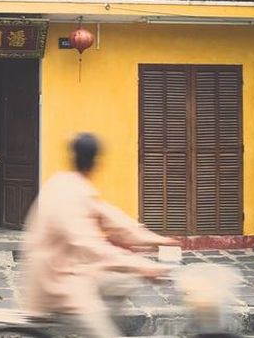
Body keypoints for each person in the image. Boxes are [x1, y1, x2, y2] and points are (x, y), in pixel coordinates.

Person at [22, 133, 177, 338]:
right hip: (57, 283)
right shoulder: (68, 194)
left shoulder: (71, 184)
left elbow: (112, 220)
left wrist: (156, 239)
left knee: (125, 282)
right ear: (96, 163)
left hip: (75, 272)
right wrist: (139, 265)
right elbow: (90, 245)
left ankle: (98, 318)